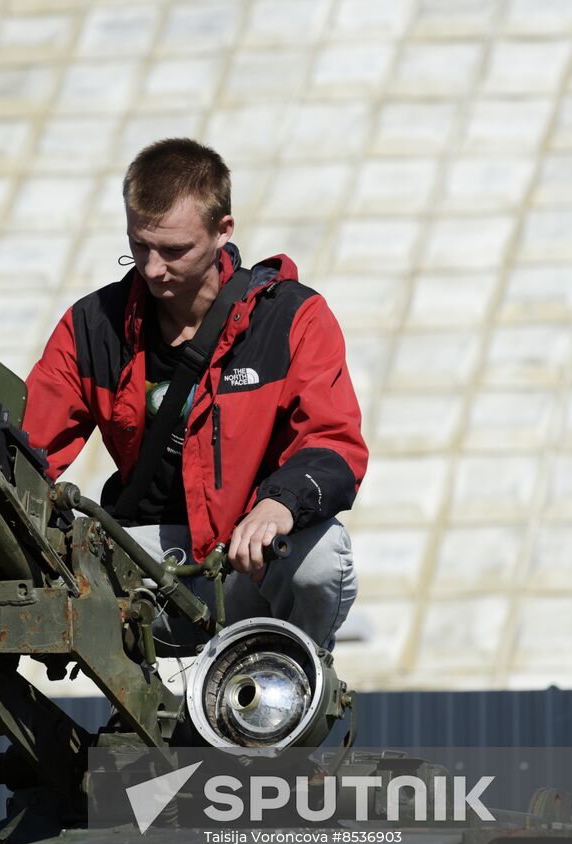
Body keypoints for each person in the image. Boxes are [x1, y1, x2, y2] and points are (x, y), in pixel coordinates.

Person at [23, 138, 368, 649]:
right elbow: (27, 450)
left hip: (249, 560)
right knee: (32, 568)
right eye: (139, 246)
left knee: (321, 558)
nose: (153, 269)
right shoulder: (92, 326)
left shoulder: (294, 318)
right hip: (143, 564)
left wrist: (280, 505)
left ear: (222, 230)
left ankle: (277, 696)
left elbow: (334, 442)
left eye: (174, 250)